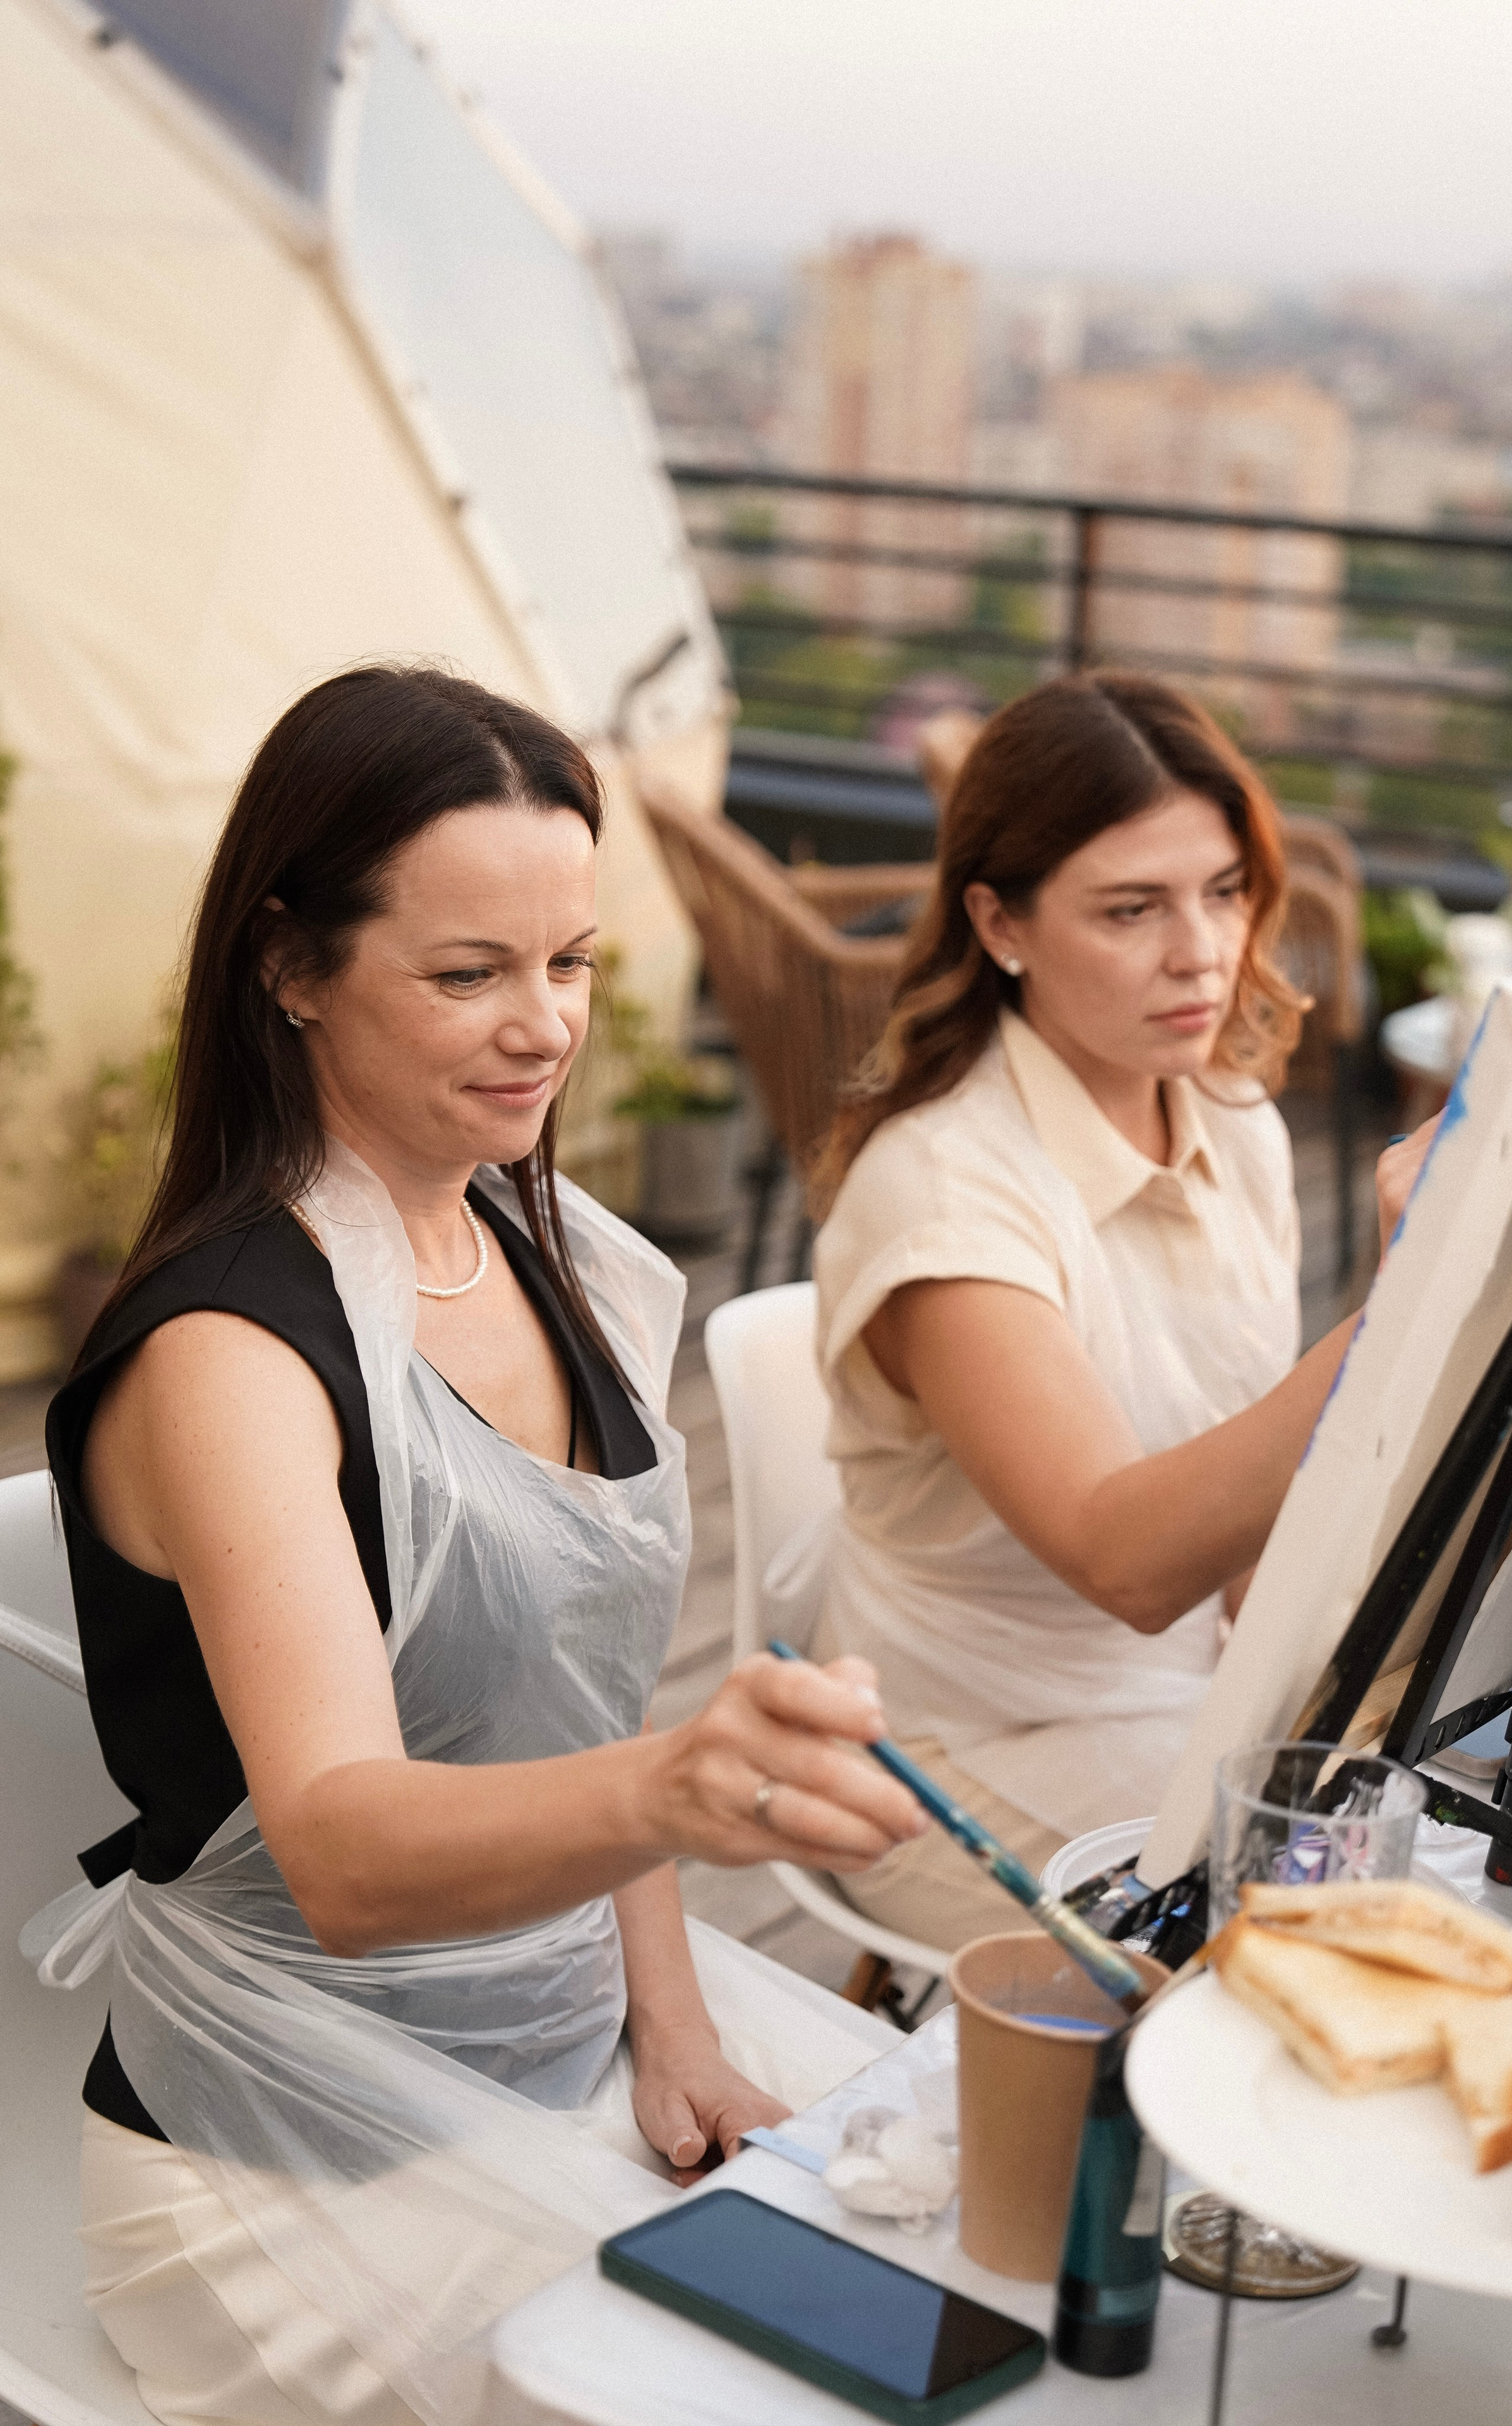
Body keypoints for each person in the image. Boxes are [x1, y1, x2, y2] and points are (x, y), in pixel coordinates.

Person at [33, 667, 925, 2426]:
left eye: (571, 962)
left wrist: (669, 2024)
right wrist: (677, 1787)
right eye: (468, 974)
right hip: (283, 2159)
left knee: (949, 2268)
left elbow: (584, 1694)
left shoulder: (561, 1259)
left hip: (562, 2038)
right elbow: (352, 1860)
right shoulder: (232, 1356)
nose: (545, 1028)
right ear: (289, 969)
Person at [805, 672, 1433, 1955]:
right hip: (955, 1750)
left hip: (1184, 1700)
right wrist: (1407, 1308)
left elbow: (1241, 1522)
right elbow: (1127, 1562)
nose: (1199, 950)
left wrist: (1323, 1706)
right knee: (1311, 1946)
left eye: (1222, 890)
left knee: (1445, 1840)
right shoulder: (940, 1194)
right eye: (1129, 909)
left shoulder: (1230, 1122)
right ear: (1000, 923)